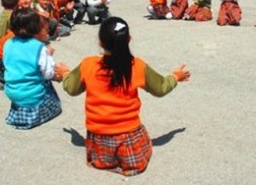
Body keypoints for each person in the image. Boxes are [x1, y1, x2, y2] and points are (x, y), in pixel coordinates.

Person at [55, 17, 191, 176]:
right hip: (129, 140)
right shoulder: (137, 66)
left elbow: (71, 88)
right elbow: (161, 88)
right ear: (129, 39)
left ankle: (106, 160)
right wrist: (175, 76)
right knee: (141, 143)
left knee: (102, 153)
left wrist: (65, 73)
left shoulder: (88, 64)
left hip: (98, 141)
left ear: (100, 43)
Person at [3, 8, 62, 129]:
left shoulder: (8, 43)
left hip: (12, 91)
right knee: (51, 93)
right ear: (35, 27)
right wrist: (49, 57)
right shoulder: (39, 47)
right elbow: (48, 73)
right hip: (32, 95)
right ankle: (38, 113)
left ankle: (19, 111)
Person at [0, 0, 19, 89]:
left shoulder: (3, 14)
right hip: (3, 52)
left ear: (1, 4)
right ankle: (0, 78)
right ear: (17, 3)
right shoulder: (13, 16)